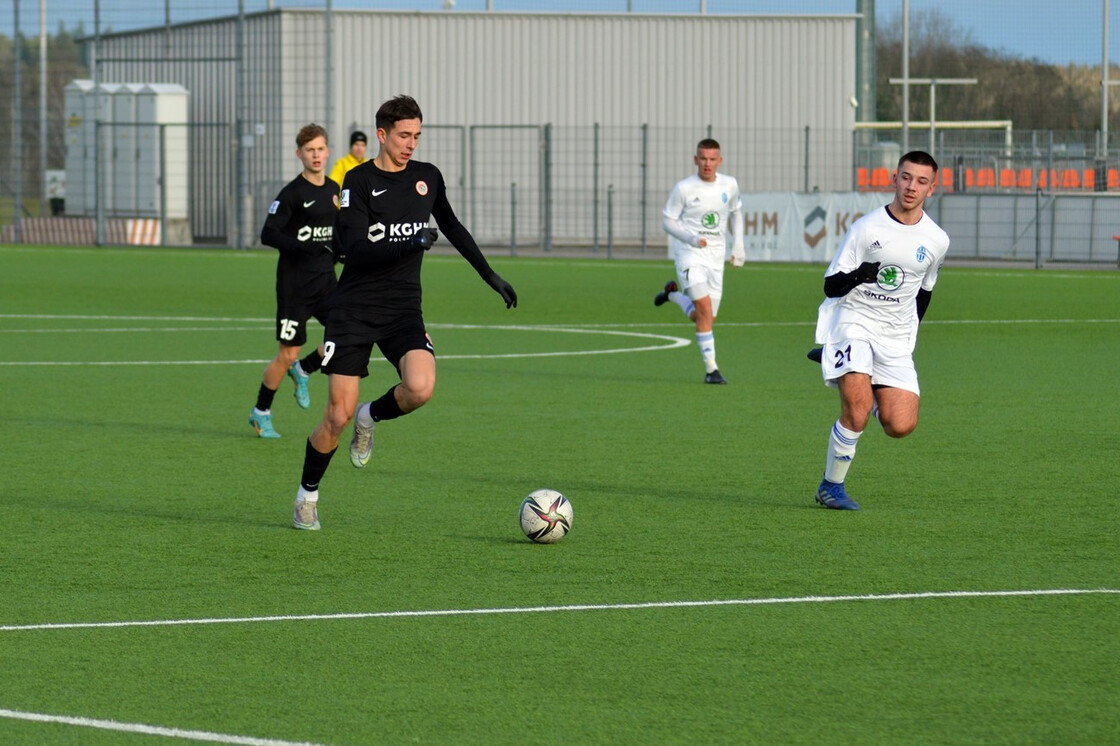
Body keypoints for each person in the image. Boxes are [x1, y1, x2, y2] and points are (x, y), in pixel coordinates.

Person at [291, 94, 517, 530]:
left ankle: (369, 417)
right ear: (382, 135)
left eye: (417, 135)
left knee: (420, 387)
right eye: (403, 135)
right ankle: (307, 496)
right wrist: (407, 242)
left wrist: (490, 275)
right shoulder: (356, 181)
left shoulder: (427, 178)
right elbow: (353, 248)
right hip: (353, 311)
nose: (411, 143)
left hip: (402, 309)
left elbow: (451, 225)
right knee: (334, 417)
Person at [811, 150, 949, 510]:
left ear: (931, 189)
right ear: (895, 178)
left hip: (894, 336)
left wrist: (910, 334)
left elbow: (925, 291)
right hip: (853, 322)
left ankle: (851, 371)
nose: (911, 186)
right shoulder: (866, 228)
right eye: (906, 177)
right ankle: (831, 487)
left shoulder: (936, 240)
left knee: (899, 424)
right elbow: (830, 286)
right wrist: (862, 274)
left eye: (921, 181)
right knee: (856, 413)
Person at [249, 123, 339, 439]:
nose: (316, 155)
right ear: (299, 154)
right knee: (287, 352)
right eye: (309, 150)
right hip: (295, 287)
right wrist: (304, 247)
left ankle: (304, 370)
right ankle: (260, 413)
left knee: (347, 334)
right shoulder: (291, 194)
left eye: (320, 149)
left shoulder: (334, 191)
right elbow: (268, 233)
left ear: (328, 151)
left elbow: (337, 234)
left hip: (327, 283)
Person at [654, 138, 745, 384]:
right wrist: (691, 238)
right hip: (689, 254)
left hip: (716, 257)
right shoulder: (684, 188)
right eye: (703, 158)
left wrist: (738, 246)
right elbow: (667, 220)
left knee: (705, 318)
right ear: (696, 159)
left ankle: (672, 295)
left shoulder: (730, 185)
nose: (707, 163)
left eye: (712, 159)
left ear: (720, 161)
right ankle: (711, 370)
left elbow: (736, 213)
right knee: (704, 311)